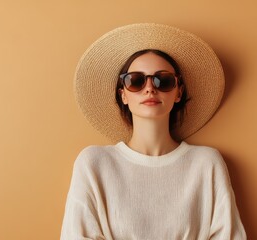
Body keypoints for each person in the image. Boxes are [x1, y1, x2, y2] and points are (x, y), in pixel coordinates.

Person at [60, 23, 246, 240]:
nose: (150, 88)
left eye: (163, 80)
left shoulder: (206, 163)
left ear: (178, 92)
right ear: (123, 95)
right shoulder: (94, 162)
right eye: (136, 81)